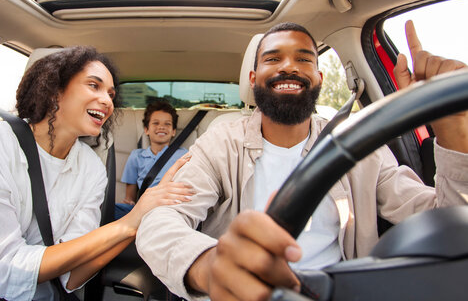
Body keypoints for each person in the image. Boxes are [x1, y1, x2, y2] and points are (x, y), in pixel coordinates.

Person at [136, 21, 468, 300]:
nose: (289, 66)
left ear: (320, 78)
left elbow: (446, 225)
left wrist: (453, 130)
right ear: (253, 80)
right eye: (273, 58)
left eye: (304, 59)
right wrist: (209, 265)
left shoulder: (359, 144)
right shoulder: (221, 142)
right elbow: (160, 221)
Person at [0, 46, 194, 300]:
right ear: (54, 89)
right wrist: (129, 221)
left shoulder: (90, 167)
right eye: (94, 85)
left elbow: (71, 277)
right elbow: (3, 272)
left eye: (111, 94)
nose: (107, 100)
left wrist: (134, 225)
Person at [115, 100, 188, 219]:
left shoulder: (183, 154)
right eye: (155, 123)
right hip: (144, 208)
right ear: (146, 130)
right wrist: (130, 203)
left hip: (171, 207)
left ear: (173, 131)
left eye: (167, 124)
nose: (161, 127)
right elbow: (130, 197)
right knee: (109, 210)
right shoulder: (136, 156)